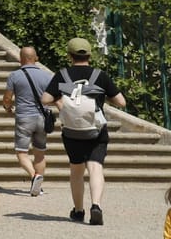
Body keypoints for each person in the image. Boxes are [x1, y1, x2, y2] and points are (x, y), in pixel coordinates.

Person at [44, 37, 126, 226]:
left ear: (69, 56)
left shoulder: (62, 75)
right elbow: (121, 102)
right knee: (95, 167)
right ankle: (96, 205)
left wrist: (62, 104)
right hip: (96, 129)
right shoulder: (100, 75)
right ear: (89, 55)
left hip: (72, 130)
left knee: (76, 170)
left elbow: (45, 98)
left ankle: (78, 211)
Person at [4, 45, 54, 198]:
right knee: (40, 153)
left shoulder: (15, 76)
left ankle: (34, 176)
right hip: (42, 118)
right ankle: (39, 186)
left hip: (24, 118)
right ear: (36, 58)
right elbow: (54, 97)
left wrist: (7, 107)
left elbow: (7, 98)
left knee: (21, 152)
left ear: (21, 58)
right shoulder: (47, 76)